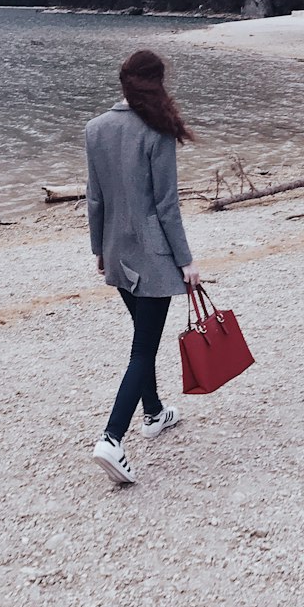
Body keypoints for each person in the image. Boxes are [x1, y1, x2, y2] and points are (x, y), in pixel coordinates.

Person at [85, 48, 200, 484]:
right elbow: (167, 207)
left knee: (141, 338)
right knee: (144, 348)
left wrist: (99, 249)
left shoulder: (96, 128)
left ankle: (153, 413)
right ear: (159, 82)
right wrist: (185, 261)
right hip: (152, 257)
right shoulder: (158, 132)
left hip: (116, 250)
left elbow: (94, 198)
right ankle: (112, 439)